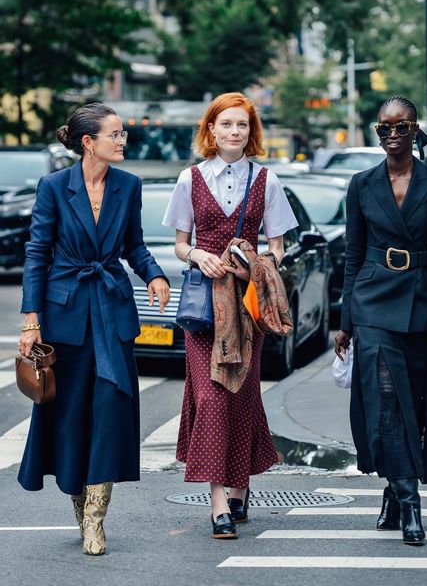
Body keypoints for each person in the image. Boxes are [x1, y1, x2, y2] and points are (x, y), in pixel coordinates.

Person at [17, 103, 170, 555]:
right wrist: (31, 321)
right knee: (68, 418)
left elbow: (134, 246)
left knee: (109, 412)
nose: (123, 141)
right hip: (64, 319)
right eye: (115, 134)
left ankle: (96, 521)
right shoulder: (53, 187)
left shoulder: (129, 185)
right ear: (88, 142)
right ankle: (79, 503)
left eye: (123, 134)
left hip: (113, 313)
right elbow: (36, 254)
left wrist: (155, 274)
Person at [163, 92, 298, 539]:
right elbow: (180, 245)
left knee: (242, 395)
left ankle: (241, 489)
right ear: (211, 130)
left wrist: (256, 266)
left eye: (242, 125)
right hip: (204, 309)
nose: (234, 132)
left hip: (247, 307)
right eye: (226, 125)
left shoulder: (267, 180)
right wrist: (200, 255)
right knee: (212, 397)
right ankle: (219, 502)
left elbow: (278, 247)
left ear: (250, 132)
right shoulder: (190, 178)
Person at [335, 96, 427, 546]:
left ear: (415, 130)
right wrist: (346, 320)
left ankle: (392, 487)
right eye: (384, 127)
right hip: (371, 302)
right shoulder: (361, 183)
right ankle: (410, 504)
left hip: (421, 305)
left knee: (414, 405)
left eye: (401, 126)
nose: (392, 133)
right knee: (387, 402)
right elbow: (352, 254)